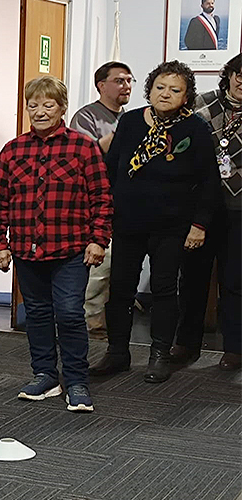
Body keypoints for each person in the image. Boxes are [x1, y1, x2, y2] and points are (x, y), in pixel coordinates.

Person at [0, 76, 112, 413]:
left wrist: (99, 239)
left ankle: (76, 380)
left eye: (48, 105)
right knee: (38, 315)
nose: (40, 112)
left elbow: (102, 198)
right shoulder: (13, 151)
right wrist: (0, 244)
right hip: (27, 250)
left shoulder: (83, 148)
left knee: (70, 314)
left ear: (62, 108)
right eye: (33, 105)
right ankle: (45, 375)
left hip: (72, 249)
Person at [94, 60, 221, 383]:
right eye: (159, 87)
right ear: (149, 90)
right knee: (120, 289)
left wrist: (200, 224)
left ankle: (159, 354)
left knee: (164, 290)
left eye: (175, 90)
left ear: (186, 96)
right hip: (127, 222)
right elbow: (112, 169)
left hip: (173, 225)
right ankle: (117, 352)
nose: (165, 94)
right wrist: (104, 214)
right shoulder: (133, 121)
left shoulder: (195, 128)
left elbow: (209, 182)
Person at [172, 54, 242, 371]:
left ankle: (235, 348)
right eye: (238, 74)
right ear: (228, 76)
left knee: (235, 281)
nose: (241, 81)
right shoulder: (203, 102)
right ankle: (186, 344)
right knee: (192, 280)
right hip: (199, 209)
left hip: (238, 211)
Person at [70, 61, 134, 337]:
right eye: (119, 81)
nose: (126, 86)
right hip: (93, 203)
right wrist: (121, 134)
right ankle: (88, 326)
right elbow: (85, 157)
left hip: (124, 201)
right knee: (98, 268)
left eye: (129, 81)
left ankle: (106, 325)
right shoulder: (86, 117)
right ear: (101, 85)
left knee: (117, 269)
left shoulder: (130, 117)